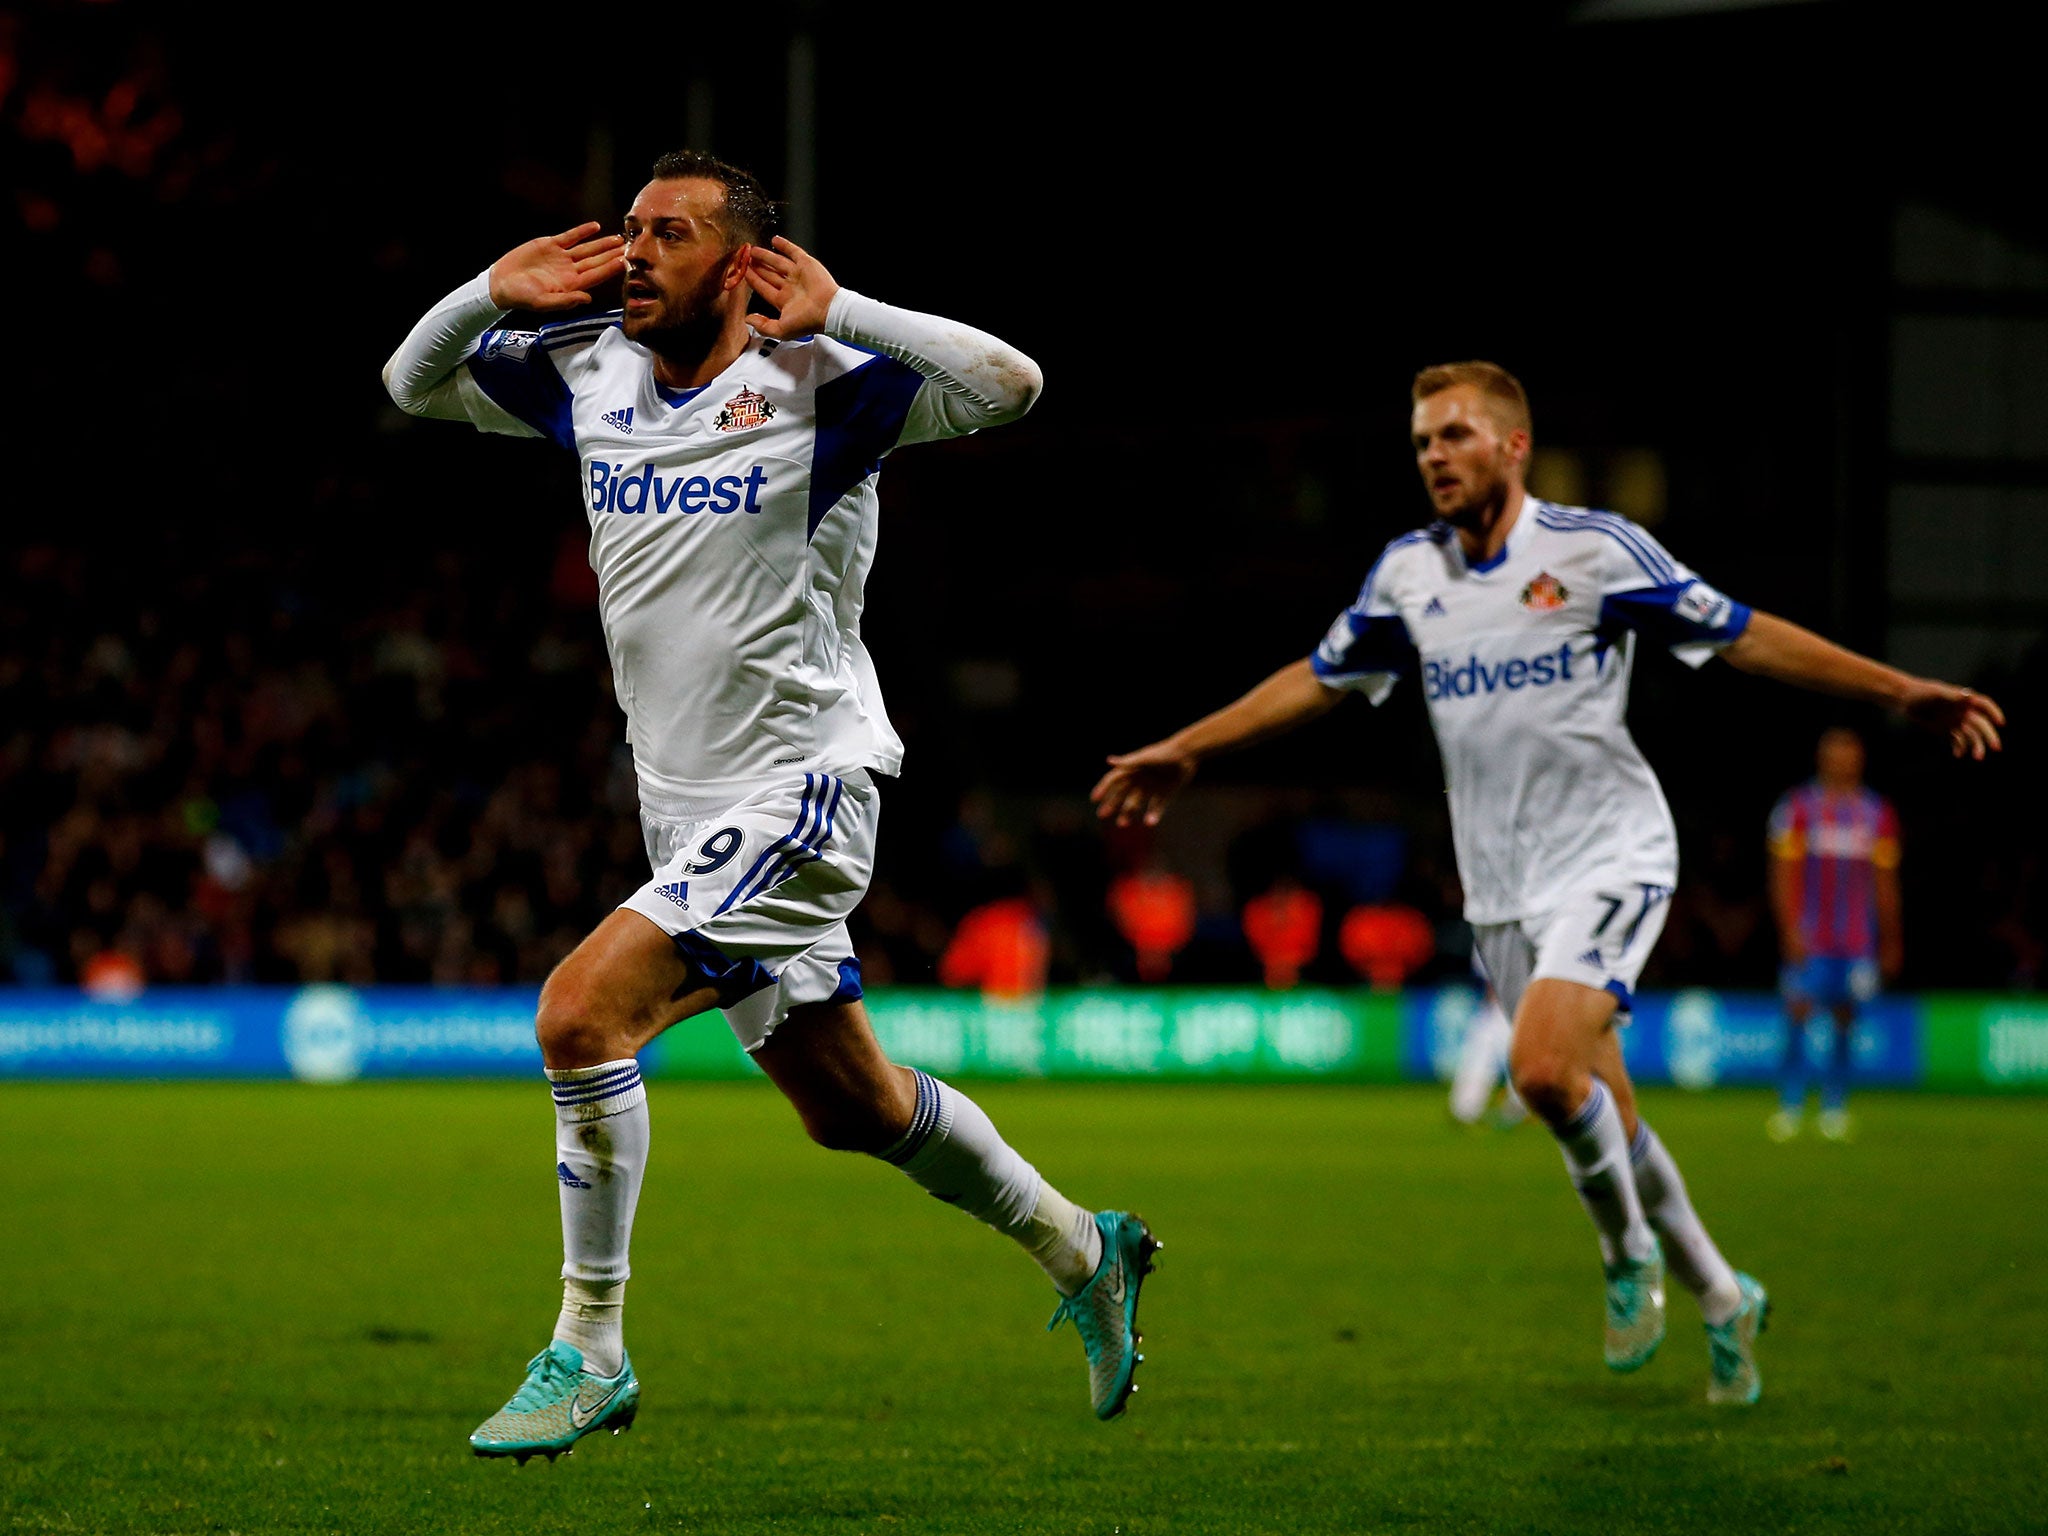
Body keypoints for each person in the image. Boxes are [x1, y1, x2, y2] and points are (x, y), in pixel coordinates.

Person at [384, 150, 1156, 1460]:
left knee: (580, 1014)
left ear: (741, 267)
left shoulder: (822, 386)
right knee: (848, 1106)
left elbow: (1011, 383)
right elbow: (413, 384)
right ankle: (1084, 1247)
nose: (632, 252)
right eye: (627, 228)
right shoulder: (591, 372)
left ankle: (592, 1345)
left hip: (803, 793)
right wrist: (483, 291)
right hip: (681, 814)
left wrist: (842, 309)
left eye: (667, 232)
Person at [1092, 361, 2003, 1406]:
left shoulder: (1590, 550)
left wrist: (1901, 693)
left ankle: (1624, 1261)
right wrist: (1189, 747)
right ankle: (1720, 1294)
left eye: (1456, 434)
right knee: (1598, 1103)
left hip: (1612, 852)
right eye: (1423, 439)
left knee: (1537, 1073)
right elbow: (1318, 674)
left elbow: (1742, 634)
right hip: (1500, 893)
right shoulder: (1406, 575)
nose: (1434, 454)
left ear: (1512, 446)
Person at [1765, 727, 1901, 1143]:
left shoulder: (1876, 813)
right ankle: (1789, 1104)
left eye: (1850, 754)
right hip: (1810, 935)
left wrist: (1891, 938)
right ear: (1822, 758)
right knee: (1798, 1011)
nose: (1842, 761)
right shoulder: (1796, 808)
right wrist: (1789, 928)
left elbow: (1885, 881)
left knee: (1845, 1017)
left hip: (1856, 940)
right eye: (1834, 753)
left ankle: (1834, 1105)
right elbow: (1781, 873)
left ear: (1859, 759)